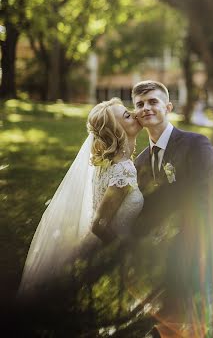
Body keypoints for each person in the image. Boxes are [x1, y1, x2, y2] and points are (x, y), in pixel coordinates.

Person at [18, 97, 143, 300]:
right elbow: (98, 225)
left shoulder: (108, 164)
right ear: (117, 131)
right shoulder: (122, 171)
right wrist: (121, 248)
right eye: (127, 116)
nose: (136, 114)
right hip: (114, 254)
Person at [132, 80, 213, 336]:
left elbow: (206, 196)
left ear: (168, 106)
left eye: (153, 101)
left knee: (186, 305)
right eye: (140, 104)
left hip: (195, 240)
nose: (146, 107)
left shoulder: (195, 144)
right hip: (155, 251)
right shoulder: (140, 162)